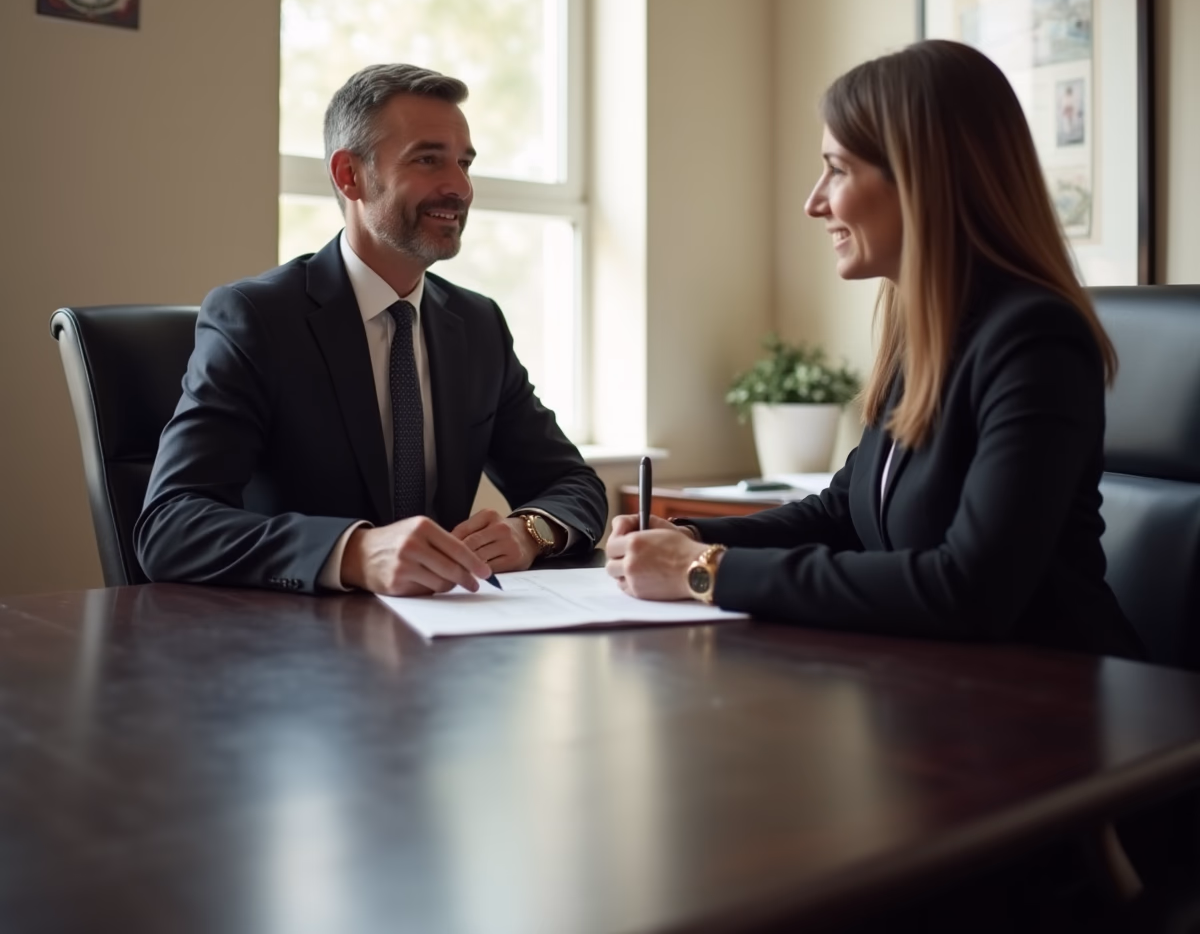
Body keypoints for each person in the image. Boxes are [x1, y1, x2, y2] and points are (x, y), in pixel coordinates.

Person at [606, 40, 1142, 659]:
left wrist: (707, 570)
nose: (815, 202)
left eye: (837, 169)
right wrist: (687, 535)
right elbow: (844, 512)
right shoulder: (926, 332)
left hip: (1060, 704)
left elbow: (969, 588)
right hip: (942, 697)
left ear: (921, 181)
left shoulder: (1036, 342)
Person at [136, 64, 607, 596]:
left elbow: (574, 484)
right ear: (349, 176)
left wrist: (529, 533)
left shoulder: (477, 325)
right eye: (429, 160)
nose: (460, 187)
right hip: (293, 647)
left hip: (451, 641)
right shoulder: (257, 318)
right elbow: (171, 525)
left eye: (464, 163)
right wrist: (355, 551)